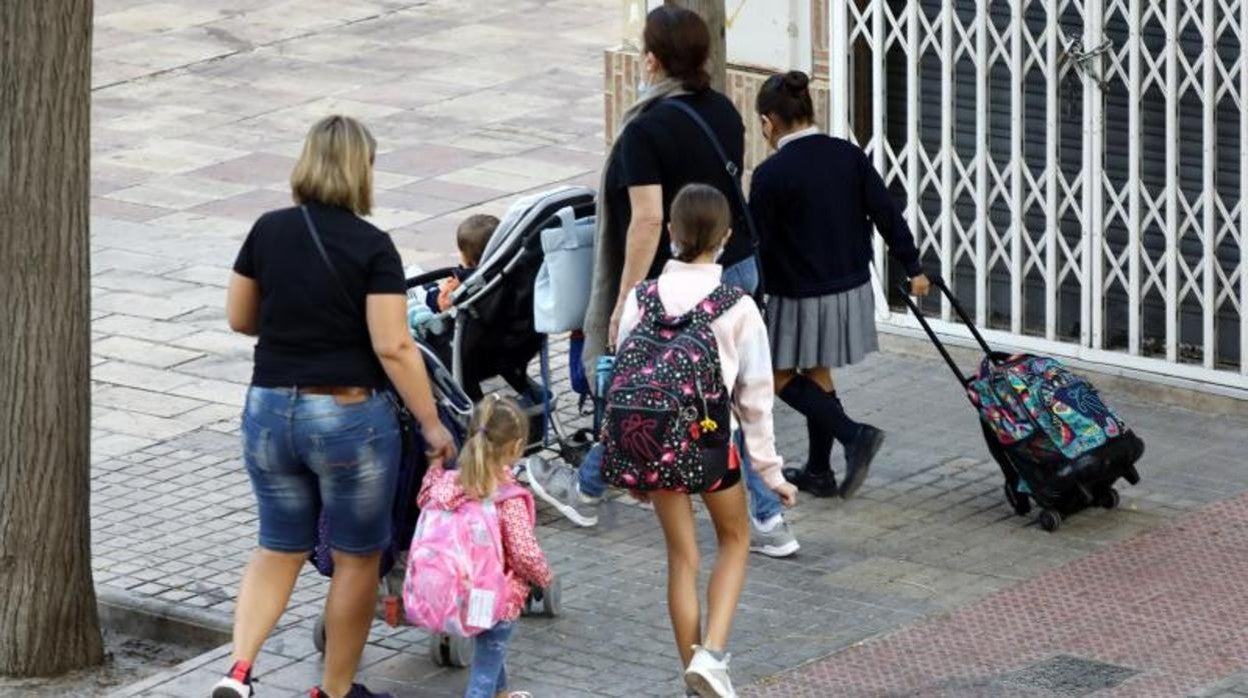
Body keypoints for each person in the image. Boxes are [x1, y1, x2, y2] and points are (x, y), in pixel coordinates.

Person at [531, 5, 799, 559]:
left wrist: (624, 298)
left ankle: (587, 490)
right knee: (717, 395)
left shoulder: (645, 130)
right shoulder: (724, 109)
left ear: (652, 59)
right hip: (738, 264)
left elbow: (648, 220)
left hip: (680, 286)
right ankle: (768, 519)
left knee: (649, 395)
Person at [215, 115, 456, 698]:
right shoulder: (373, 247)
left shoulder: (266, 231)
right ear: (360, 172)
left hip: (269, 411)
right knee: (356, 558)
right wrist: (432, 424)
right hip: (348, 419)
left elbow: (240, 317)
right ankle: (336, 690)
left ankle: (239, 672)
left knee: (278, 546)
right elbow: (394, 345)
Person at [610, 184, 797, 698]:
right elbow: (756, 398)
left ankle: (695, 676)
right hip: (712, 444)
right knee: (735, 540)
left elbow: (628, 376)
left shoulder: (640, 298)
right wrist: (771, 472)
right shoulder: (736, 306)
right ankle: (712, 655)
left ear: (670, 231)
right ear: (726, 238)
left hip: (653, 445)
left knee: (682, 559)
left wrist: (636, 460)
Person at [751, 71, 931, 499]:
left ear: (768, 122)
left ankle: (854, 436)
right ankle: (818, 471)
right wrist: (913, 265)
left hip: (800, 293)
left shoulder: (770, 174)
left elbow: (759, 245)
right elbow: (887, 211)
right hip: (850, 288)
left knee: (773, 377)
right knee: (817, 372)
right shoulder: (847, 155)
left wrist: (748, 299)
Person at [416, 396, 551, 698]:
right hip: (497, 599)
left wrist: (435, 466)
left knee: (490, 655)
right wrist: (543, 577)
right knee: (483, 673)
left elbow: (425, 497)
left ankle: (501, 694)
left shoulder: (448, 485)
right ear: (516, 448)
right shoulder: (507, 497)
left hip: (458, 593)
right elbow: (524, 553)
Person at [430, 214, 499, 312]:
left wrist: (440, 292)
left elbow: (440, 302)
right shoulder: (508, 266)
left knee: (426, 289)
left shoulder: (464, 280)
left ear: (468, 260)